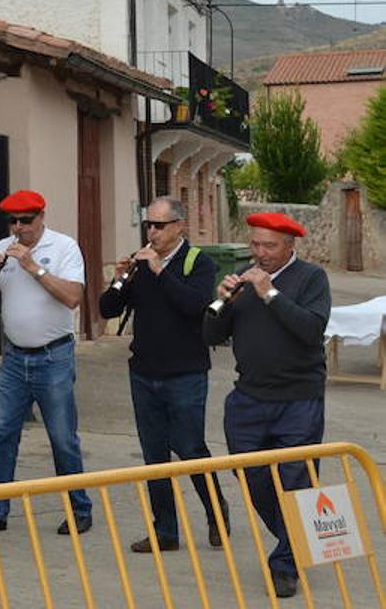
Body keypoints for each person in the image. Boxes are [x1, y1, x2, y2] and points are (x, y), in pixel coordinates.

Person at [204, 212, 330, 600]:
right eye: (255, 245)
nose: (260, 254)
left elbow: (311, 330)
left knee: (295, 481)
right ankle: (299, 537)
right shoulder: (242, 279)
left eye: (270, 246)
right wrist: (221, 301)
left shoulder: (311, 278)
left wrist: (270, 294)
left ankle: (285, 564)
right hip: (248, 398)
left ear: (291, 246)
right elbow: (210, 335)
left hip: (298, 399)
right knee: (251, 475)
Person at [99, 196, 228, 553]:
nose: (152, 232)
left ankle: (217, 514)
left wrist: (159, 270)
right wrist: (120, 279)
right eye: (149, 226)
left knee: (189, 448)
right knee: (154, 455)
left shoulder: (197, 262)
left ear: (179, 226)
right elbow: (107, 308)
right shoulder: (141, 264)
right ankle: (165, 531)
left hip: (185, 372)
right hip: (144, 371)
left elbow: (193, 306)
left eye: (159, 225)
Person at [0, 190, 91, 536]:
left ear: (41, 217)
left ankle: (80, 509)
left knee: (62, 437)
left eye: (26, 221)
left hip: (54, 356)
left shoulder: (64, 247)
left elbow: (72, 298)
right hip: (15, 358)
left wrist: (32, 267)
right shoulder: (2, 248)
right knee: (3, 433)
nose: (19, 229)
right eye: (13, 222)